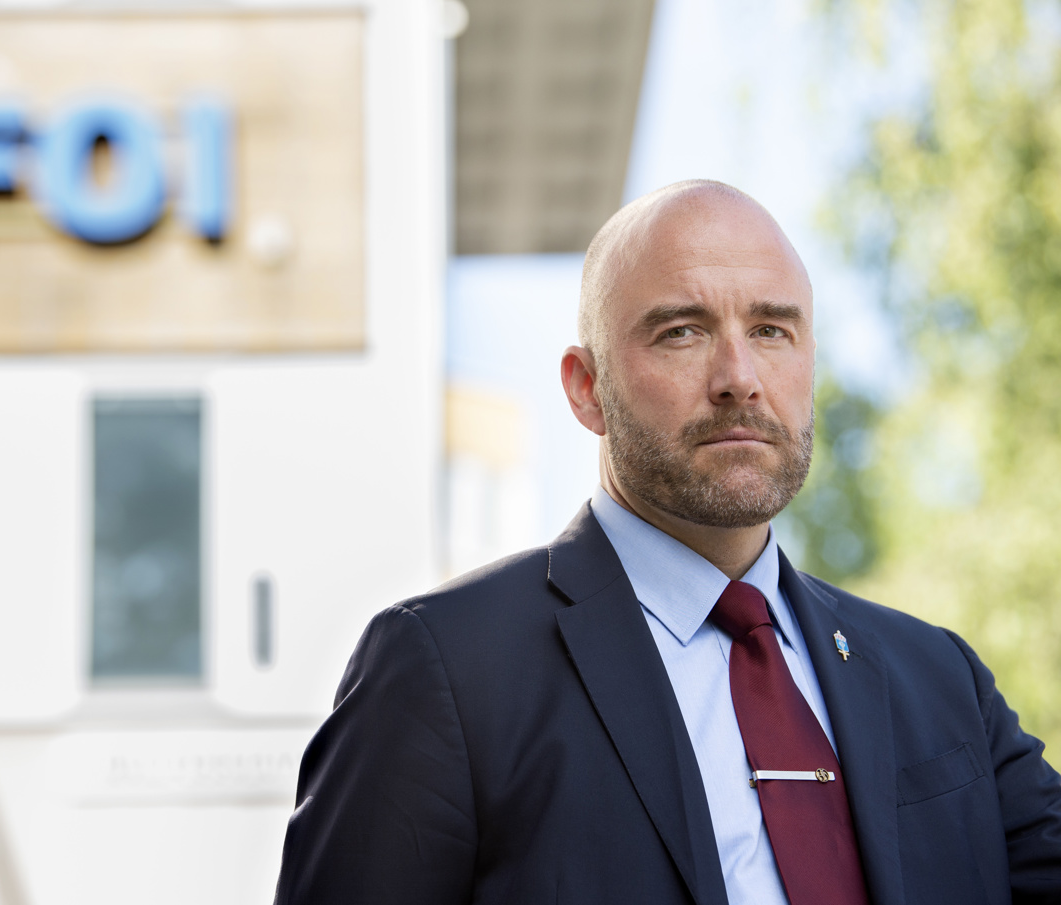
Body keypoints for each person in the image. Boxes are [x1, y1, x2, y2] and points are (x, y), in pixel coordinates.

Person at [272, 180, 1061, 904]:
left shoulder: (939, 676)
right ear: (587, 388)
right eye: (682, 332)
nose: (739, 376)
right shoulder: (445, 670)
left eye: (772, 329)